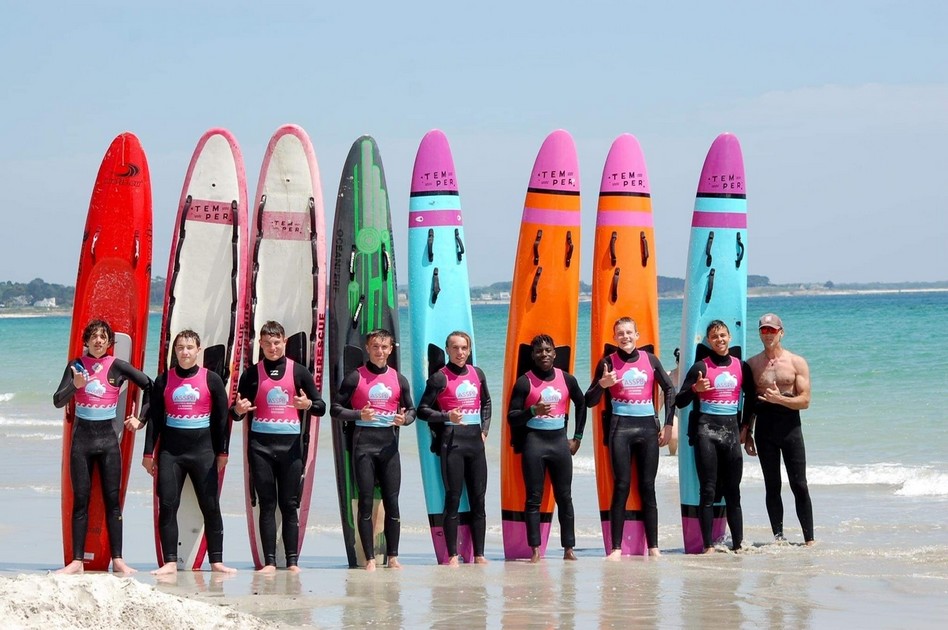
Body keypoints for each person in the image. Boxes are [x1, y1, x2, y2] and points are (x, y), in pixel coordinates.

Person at [53, 319, 152, 574]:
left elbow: (150, 385)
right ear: (86, 341)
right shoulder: (75, 366)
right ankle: (77, 561)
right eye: (94, 336)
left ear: (109, 342)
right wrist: (74, 386)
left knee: (112, 501)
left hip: (108, 442)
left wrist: (141, 419)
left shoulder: (117, 366)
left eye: (103, 337)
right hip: (82, 443)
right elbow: (57, 400)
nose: (98, 341)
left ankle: (118, 559)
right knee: (81, 501)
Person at [138, 330, 236, 575]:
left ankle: (216, 561)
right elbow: (155, 420)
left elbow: (221, 419)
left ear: (198, 350)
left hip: (203, 452)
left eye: (189, 347)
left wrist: (223, 451)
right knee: (167, 505)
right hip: (171, 453)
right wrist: (148, 453)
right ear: (175, 351)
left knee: (210, 506)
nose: (185, 352)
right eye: (180, 347)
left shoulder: (212, 379)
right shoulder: (164, 380)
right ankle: (170, 562)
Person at [233, 320, 325, 573]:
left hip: (291, 449)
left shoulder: (299, 372)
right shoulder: (251, 374)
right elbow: (235, 413)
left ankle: (292, 561)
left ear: (284, 342)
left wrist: (307, 405)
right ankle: (270, 562)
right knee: (267, 504)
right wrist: (238, 410)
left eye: (276, 343)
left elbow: (321, 407)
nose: (272, 348)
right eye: (267, 344)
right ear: (260, 345)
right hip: (260, 448)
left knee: (289, 504)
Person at [584, 317, 675, 559]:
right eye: (620, 333)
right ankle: (616, 548)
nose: (625, 337)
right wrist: (602, 384)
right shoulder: (607, 363)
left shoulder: (650, 360)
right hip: (620, 429)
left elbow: (669, 389)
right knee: (622, 486)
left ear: (637, 335)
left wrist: (667, 424)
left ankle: (653, 547)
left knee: (647, 487)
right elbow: (588, 400)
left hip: (647, 429)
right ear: (615, 337)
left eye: (629, 332)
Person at [330, 329, 415, 572]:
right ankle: (369, 558)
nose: (379, 351)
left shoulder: (399, 379)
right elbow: (335, 409)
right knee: (366, 502)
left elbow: (412, 410)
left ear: (391, 350)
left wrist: (404, 420)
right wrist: (359, 415)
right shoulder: (355, 377)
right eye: (375, 346)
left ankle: (393, 556)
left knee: (392, 502)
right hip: (363, 446)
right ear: (368, 348)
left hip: (389, 447)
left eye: (384, 347)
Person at [674, 320, 756, 553]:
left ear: (729, 337)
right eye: (714, 337)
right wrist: (695, 389)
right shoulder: (701, 367)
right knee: (708, 490)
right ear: (709, 341)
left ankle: (738, 545)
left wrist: (746, 427)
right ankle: (708, 545)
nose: (719, 340)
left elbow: (751, 399)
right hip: (706, 432)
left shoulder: (741, 367)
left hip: (731, 432)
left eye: (722, 335)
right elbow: (679, 401)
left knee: (733, 492)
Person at [507, 334, 587, 563]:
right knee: (534, 499)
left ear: (554, 353)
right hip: (535, 444)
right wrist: (533, 411)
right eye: (539, 351)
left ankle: (568, 549)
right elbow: (512, 417)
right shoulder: (524, 382)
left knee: (565, 497)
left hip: (559, 443)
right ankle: (535, 549)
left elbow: (582, 404)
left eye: (548, 350)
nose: (544, 354)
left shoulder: (567, 379)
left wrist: (577, 438)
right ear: (533, 355)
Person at [417, 330, 492, 567]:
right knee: (453, 499)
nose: (460, 352)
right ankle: (451, 555)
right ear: (448, 350)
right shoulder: (440, 378)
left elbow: (486, 402)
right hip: (452, 444)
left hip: (475, 444)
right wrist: (446, 416)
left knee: (478, 500)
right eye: (455, 348)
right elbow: (422, 410)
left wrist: (485, 430)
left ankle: (479, 554)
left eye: (464, 348)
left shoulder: (477, 374)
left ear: (469, 350)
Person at [745, 313, 815, 545]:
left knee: (799, 484)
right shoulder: (752, 365)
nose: (768, 334)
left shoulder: (796, 362)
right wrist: (748, 433)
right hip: (765, 430)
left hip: (790, 429)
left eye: (772, 330)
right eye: (764, 330)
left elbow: (805, 401)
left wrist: (779, 399)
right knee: (772, 485)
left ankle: (809, 539)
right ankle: (779, 538)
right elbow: (750, 403)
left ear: (781, 333)